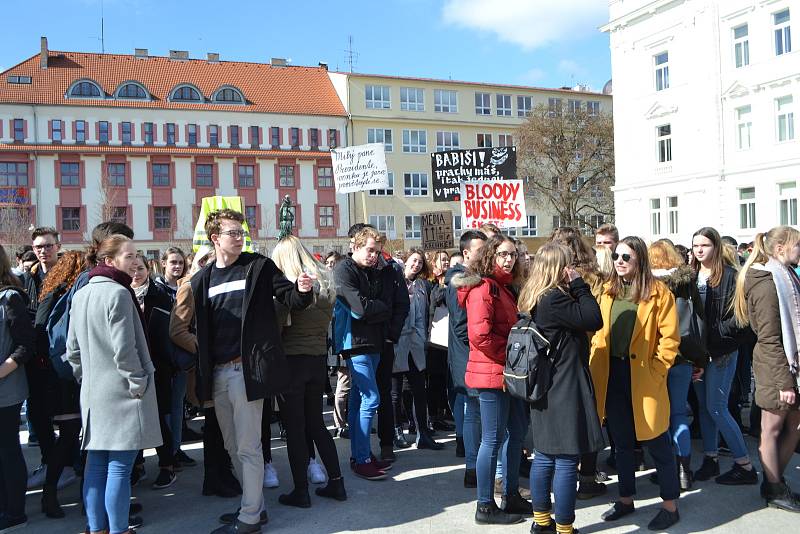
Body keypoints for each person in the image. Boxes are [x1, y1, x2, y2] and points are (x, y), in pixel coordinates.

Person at [191, 209, 314, 534]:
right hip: (217, 374)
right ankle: (254, 506)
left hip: (246, 371)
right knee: (233, 448)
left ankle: (249, 518)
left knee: (248, 447)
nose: (240, 237)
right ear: (215, 238)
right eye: (232, 232)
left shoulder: (257, 267)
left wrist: (301, 289)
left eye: (241, 231)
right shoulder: (202, 279)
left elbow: (290, 297)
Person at [67, 235, 162, 534]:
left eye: (137, 255)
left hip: (95, 393)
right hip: (123, 391)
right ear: (109, 261)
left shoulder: (81, 293)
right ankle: (119, 529)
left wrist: (87, 378)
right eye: (129, 256)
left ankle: (96, 529)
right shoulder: (119, 294)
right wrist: (138, 382)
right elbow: (125, 350)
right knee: (119, 466)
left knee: (96, 465)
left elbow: (72, 350)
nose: (136, 261)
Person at [590, 236, 681, 530]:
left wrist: (658, 369)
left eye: (626, 257)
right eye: (616, 256)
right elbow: (596, 332)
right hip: (612, 374)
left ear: (639, 259)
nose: (619, 261)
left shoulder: (658, 292)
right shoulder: (606, 291)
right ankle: (626, 498)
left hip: (643, 375)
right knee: (622, 443)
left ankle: (670, 505)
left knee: (657, 441)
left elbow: (670, 339)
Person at [519, 243, 604, 534]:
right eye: (569, 264)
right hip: (564, 386)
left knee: (544, 456)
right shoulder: (554, 299)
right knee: (567, 459)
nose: (573, 267)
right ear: (559, 267)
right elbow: (594, 318)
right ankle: (565, 528)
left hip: (545, 385)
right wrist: (579, 285)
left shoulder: (534, 295)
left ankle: (542, 523)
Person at [455, 234, 529, 525]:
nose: (508, 259)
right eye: (502, 254)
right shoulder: (485, 287)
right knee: (492, 439)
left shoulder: (504, 287)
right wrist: (511, 355)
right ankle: (485, 505)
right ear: (489, 256)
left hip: (505, 373)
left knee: (516, 433)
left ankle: (510, 495)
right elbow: (480, 336)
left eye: (512, 254)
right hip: (491, 374)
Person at [271, 235, 346, 506]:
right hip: (317, 361)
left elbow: (278, 327)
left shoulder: (291, 290)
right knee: (317, 425)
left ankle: (301, 491)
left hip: (292, 362)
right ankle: (337, 482)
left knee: (295, 429)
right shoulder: (325, 286)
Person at [733, 226, 800, 512]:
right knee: (772, 428)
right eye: (798, 245)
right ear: (781, 247)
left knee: (794, 427)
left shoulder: (786, 276)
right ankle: (774, 487)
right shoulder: (765, 280)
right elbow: (770, 336)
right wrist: (784, 382)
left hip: (788, 365)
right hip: (776, 366)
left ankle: (774, 481)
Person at [170, 249, 242, 500]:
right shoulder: (191, 285)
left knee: (224, 426)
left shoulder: (219, 281)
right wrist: (206, 348)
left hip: (224, 365)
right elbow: (177, 330)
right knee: (213, 425)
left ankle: (221, 474)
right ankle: (215, 477)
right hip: (207, 368)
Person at [690, 227, 756, 485]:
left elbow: (742, 320)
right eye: (695, 245)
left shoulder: (731, 276)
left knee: (717, 408)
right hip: (697, 353)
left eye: (704, 245)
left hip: (721, 352)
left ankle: (745, 465)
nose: (699, 249)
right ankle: (711, 459)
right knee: (705, 410)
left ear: (716, 247)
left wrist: (714, 335)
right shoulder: (691, 276)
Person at [332, 226, 397, 479]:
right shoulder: (343, 269)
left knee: (360, 400)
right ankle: (361, 458)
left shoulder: (373, 271)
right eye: (370, 250)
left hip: (374, 341)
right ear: (355, 246)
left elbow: (388, 306)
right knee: (371, 398)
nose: (374, 256)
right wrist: (377, 308)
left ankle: (361, 456)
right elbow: (359, 308)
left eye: (377, 252)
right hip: (354, 342)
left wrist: (376, 308)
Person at [649, 240, 705, 492]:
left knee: (658, 415)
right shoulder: (687, 283)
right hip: (683, 356)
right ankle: (684, 470)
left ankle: (667, 469)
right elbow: (698, 322)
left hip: (655, 357)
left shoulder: (646, 284)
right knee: (679, 414)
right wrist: (700, 358)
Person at [35, 251, 85, 518]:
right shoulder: (70, 293)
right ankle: (53, 495)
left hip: (56, 375)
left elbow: (39, 330)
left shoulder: (50, 292)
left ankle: (51, 495)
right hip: (68, 376)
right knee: (73, 437)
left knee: (67, 437)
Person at [130, 254, 180, 491]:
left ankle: (167, 465)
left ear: (148, 269)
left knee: (158, 417)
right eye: (132, 269)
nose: (136, 274)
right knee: (133, 420)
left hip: (157, 366)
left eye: (140, 268)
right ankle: (137, 465)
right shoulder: (122, 294)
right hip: (132, 368)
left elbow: (167, 334)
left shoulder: (158, 296)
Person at [446, 230, 487, 487]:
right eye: (481, 250)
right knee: (476, 413)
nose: (485, 254)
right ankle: (475, 468)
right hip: (469, 356)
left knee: (475, 413)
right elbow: (462, 325)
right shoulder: (459, 280)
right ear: (466, 253)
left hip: (470, 356)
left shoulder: (472, 277)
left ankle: (474, 468)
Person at [392, 249, 443, 451]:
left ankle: (422, 433)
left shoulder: (422, 285)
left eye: (420, 262)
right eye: (413, 261)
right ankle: (397, 431)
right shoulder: (395, 282)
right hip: (398, 343)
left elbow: (425, 312)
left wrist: (424, 337)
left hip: (417, 343)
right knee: (395, 392)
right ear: (405, 262)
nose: (416, 265)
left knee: (419, 389)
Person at [0, 244, 35, 533]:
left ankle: (15, 511)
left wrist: (1, 371)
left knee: (8, 449)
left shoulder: (10, 298)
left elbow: (25, 346)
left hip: (6, 390)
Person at [21, 227, 62, 475]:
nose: (43, 251)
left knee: (68, 416)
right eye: (38, 247)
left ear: (57, 245)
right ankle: (49, 460)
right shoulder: (29, 279)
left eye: (48, 245)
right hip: (36, 354)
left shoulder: (69, 276)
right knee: (37, 412)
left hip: (60, 351)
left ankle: (69, 462)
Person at [153, 247, 196, 469]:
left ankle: (176, 448)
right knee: (165, 407)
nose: (177, 266)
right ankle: (167, 451)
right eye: (173, 262)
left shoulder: (186, 287)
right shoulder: (156, 289)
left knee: (178, 403)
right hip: (162, 357)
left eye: (180, 262)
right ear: (163, 264)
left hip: (181, 356)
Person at [426, 250, 453, 433]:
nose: (446, 263)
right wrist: (444, 288)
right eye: (442, 259)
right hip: (433, 336)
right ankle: (433, 416)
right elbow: (434, 301)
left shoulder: (451, 280)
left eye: (447, 260)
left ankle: (444, 412)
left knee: (444, 377)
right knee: (434, 379)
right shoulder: (430, 283)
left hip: (447, 336)